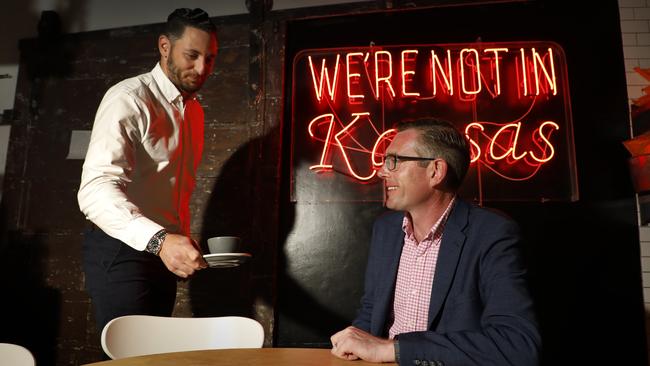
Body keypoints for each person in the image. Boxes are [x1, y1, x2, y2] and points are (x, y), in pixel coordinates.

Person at [330, 118, 541, 365]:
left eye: (394, 161)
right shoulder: (385, 229)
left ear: (435, 171)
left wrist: (395, 350)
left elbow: (517, 345)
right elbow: (371, 312)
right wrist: (354, 343)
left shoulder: (492, 233)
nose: (381, 171)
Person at [77, 8, 218, 333]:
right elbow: (95, 190)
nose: (201, 69)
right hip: (120, 247)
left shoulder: (194, 112)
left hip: (160, 251)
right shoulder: (129, 98)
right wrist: (160, 241)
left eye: (209, 59)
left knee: (153, 354)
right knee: (130, 357)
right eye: (192, 55)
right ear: (164, 47)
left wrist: (176, 241)